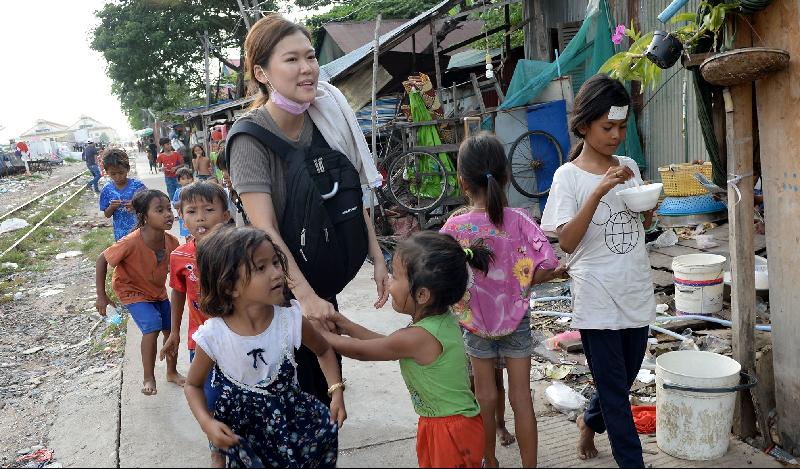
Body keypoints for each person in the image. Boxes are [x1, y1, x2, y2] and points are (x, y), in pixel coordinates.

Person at [227, 14, 388, 405]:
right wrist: (304, 295)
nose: (307, 69)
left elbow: (348, 192)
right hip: (274, 292)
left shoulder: (325, 117)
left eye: (311, 57)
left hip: (321, 280)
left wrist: (377, 255)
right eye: (292, 60)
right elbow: (264, 230)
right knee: (287, 396)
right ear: (262, 72)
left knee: (326, 388)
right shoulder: (249, 139)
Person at [540, 74, 656, 468]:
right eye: (608, 127)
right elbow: (568, 241)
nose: (616, 136)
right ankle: (632, 462)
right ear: (584, 125)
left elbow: (638, 226)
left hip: (635, 289)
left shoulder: (627, 166)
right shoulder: (567, 177)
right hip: (596, 296)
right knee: (616, 393)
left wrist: (649, 209)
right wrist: (598, 191)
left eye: (622, 127)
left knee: (619, 383)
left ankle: (588, 421)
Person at [441, 133, 562, 468]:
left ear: (462, 181)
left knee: (485, 397)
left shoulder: (454, 226)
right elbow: (549, 263)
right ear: (506, 176)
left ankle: (489, 460)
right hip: (516, 321)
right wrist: (522, 280)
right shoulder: (520, 220)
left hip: (475, 325)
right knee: (522, 398)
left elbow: (437, 266)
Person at [319, 231, 487, 468]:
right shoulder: (436, 322)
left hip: (449, 429)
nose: (388, 281)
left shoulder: (419, 336)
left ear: (422, 294)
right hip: (446, 422)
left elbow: (362, 351)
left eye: (395, 277)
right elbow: (384, 345)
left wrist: (314, 334)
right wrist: (345, 325)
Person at [185, 226, 346, 467]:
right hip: (243, 433)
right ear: (229, 286)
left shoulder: (290, 321)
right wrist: (207, 423)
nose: (276, 273)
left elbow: (323, 350)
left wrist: (336, 391)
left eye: (275, 262)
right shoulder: (214, 336)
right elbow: (192, 385)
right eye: (261, 268)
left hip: (291, 427)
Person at [160, 182, 231, 468]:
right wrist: (175, 331)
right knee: (209, 398)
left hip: (238, 338)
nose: (200, 218)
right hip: (200, 341)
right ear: (181, 217)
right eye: (192, 211)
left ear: (226, 215)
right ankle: (217, 453)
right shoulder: (179, 256)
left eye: (209, 210)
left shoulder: (237, 248)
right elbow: (178, 292)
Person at [95, 189, 183, 396]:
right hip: (131, 290)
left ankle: (171, 371)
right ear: (144, 217)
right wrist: (101, 295)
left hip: (156, 291)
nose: (168, 214)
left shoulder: (172, 242)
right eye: (159, 210)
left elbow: (179, 272)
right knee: (152, 326)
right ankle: (148, 377)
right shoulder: (131, 241)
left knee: (171, 328)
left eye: (168, 209)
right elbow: (102, 259)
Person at [99, 148, 147, 241]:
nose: (118, 176)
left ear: (127, 169)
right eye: (113, 174)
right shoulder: (107, 190)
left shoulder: (138, 186)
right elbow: (107, 214)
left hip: (140, 231)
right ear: (107, 172)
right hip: (120, 234)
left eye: (121, 172)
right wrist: (111, 207)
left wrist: (136, 206)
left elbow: (149, 206)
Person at [171, 167, 194, 240]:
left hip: (195, 216)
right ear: (178, 181)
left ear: (192, 179)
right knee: (188, 237)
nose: (187, 181)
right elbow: (174, 205)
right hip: (184, 219)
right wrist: (183, 201)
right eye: (183, 179)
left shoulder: (196, 190)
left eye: (189, 178)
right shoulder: (178, 192)